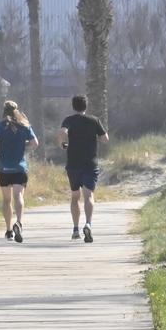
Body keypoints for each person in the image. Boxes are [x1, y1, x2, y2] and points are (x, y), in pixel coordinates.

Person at [60, 95, 108, 243]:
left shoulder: (68, 120)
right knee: (88, 196)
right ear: (86, 106)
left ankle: (75, 230)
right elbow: (105, 139)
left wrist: (63, 143)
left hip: (73, 163)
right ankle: (88, 223)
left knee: (75, 197)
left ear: (73, 106)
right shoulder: (94, 120)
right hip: (90, 163)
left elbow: (62, 132)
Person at [0, 100, 39, 243]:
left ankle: (9, 230)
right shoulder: (24, 126)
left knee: (6, 199)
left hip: (3, 168)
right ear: (17, 111)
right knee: (18, 196)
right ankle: (18, 222)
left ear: (3, 111)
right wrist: (24, 146)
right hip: (19, 167)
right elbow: (35, 143)